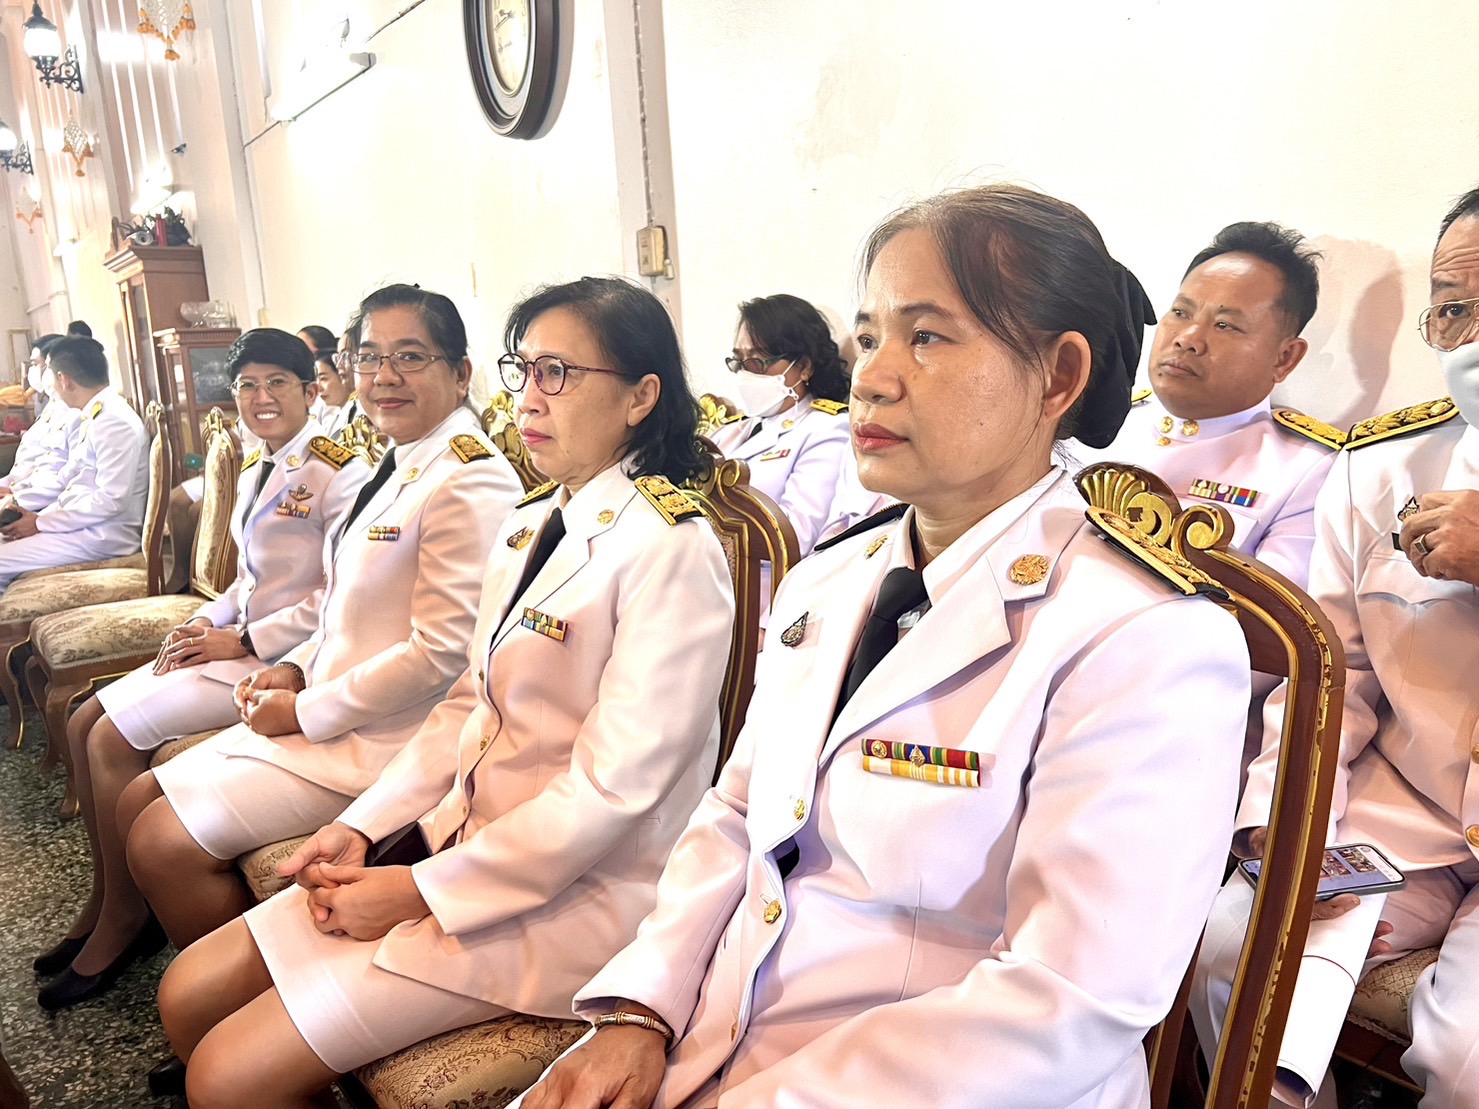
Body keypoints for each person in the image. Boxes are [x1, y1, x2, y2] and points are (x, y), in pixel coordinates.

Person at [521, 185, 1251, 1109]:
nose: (871, 376)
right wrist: (639, 1009)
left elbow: (1069, 999)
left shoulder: (1145, 635)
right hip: (712, 1040)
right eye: (868, 336)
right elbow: (735, 816)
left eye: (928, 337)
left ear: (1058, 377)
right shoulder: (831, 577)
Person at [154, 276, 736, 1108]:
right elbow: (467, 703)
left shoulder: (670, 548)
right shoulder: (536, 519)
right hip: (455, 842)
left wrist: (419, 889)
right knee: (187, 991)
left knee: (224, 1075)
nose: (530, 398)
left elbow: (611, 794)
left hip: (577, 896)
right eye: (523, 369)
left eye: (559, 373)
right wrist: (362, 826)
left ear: (641, 395)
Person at [120, 284, 522, 970]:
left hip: (388, 738)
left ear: (461, 373)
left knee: (160, 838)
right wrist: (295, 664)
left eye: (410, 356)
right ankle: (175, 963)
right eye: (368, 357)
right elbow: (342, 599)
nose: (383, 377)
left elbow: (441, 656)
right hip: (332, 710)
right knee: (138, 796)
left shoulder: (469, 479)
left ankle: (237, 989)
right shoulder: (403, 457)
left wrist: (303, 709)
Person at [1191, 186, 1479, 1109]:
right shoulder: (1383, 468)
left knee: (1470, 1059)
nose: (1470, 336)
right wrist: (1281, 816)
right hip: (1416, 812)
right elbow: (1335, 674)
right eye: (1454, 307)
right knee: (1236, 943)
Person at [34, 328, 370, 1011]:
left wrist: (243, 636)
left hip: (281, 660)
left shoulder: (340, 473)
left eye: (278, 382)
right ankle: (107, 898)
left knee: (108, 736)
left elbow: (336, 598)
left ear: (311, 391)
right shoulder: (258, 465)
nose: (260, 396)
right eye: (247, 384)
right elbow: (248, 581)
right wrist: (208, 621)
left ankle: (126, 923)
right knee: (82, 718)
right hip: (237, 645)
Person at [1076, 222, 1337, 589]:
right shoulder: (1093, 420)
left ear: (1284, 359)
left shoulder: (1309, 473)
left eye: (1225, 325)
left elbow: (1267, 623)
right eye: (1181, 313)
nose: (1188, 339)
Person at [708, 295, 851, 558]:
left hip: (761, 587)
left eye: (757, 362)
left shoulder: (827, 429)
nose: (745, 375)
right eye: (738, 362)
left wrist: (702, 537)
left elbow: (796, 535)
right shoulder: (729, 431)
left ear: (804, 366)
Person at [0, 337, 147, 593]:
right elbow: (73, 484)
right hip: (80, 526)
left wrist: (41, 524)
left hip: (102, 535)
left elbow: (111, 500)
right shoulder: (97, 414)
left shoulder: (114, 421)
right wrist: (35, 517)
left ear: (65, 380)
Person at [0, 334, 74, 501]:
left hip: (35, 500)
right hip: (20, 490)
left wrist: (15, 497)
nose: (31, 372)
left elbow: (57, 475)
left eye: (36, 364)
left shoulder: (72, 413)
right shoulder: (52, 407)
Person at [313, 352, 354, 436]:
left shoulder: (357, 414)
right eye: (316, 380)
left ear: (342, 376)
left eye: (323, 379)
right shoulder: (334, 418)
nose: (319, 388)